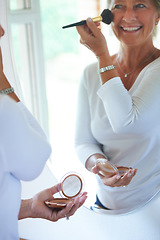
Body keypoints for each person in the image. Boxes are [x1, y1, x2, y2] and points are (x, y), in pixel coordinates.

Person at [0, 24, 87, 239]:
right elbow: (37, 157)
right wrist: (2, 81)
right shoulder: (4, 112)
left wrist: (29, 206)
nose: (2, 31)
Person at [74, 0, 160, 213]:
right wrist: (100, 164)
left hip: (153, 208)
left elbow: (126, 123)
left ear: (158, 15)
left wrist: (102, 55)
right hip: (104, 207)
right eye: (119, 6)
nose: (128, 16)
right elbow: (83, 142)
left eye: (140, 5)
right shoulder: (90, 73)